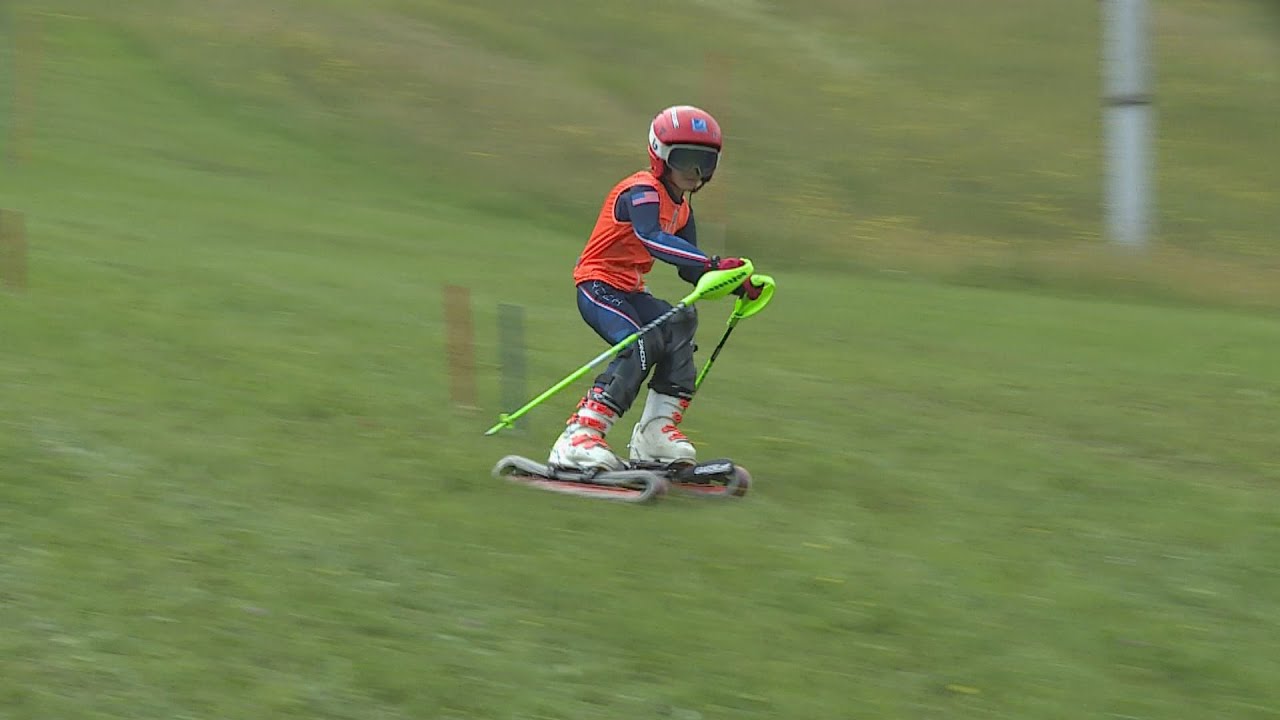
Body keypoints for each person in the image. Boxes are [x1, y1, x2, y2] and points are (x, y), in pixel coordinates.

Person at [547, 105, 762, 471]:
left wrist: (734, 284)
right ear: (660, 155)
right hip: (597, 285)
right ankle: (579, 436)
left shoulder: (682, 210)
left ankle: (654, 434)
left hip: (628, 289)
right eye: (686, 160)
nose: (695, 173)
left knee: (679, 321)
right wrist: (712, 264)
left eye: (705, 163)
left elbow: (689, 270)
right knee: (639, 341)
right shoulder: (641, 191)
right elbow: (652, 238)